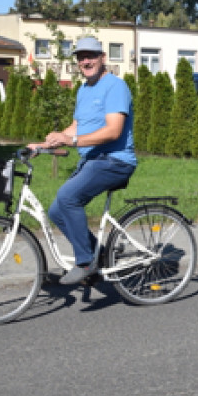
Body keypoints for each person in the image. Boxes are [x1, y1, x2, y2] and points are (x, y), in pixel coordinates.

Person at [32, 35, 137, 285]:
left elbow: (113, 131)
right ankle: (100, 256)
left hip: (114, 160)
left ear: (103, 58)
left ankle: (85, 262)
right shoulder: (83, 89)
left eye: (91, 56)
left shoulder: (115, 87)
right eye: (81, 57)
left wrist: (72, 141)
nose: (86, 61)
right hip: (93, 160)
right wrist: (44, 144)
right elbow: (77, 126)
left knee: (68, 197)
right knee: (57, 211)